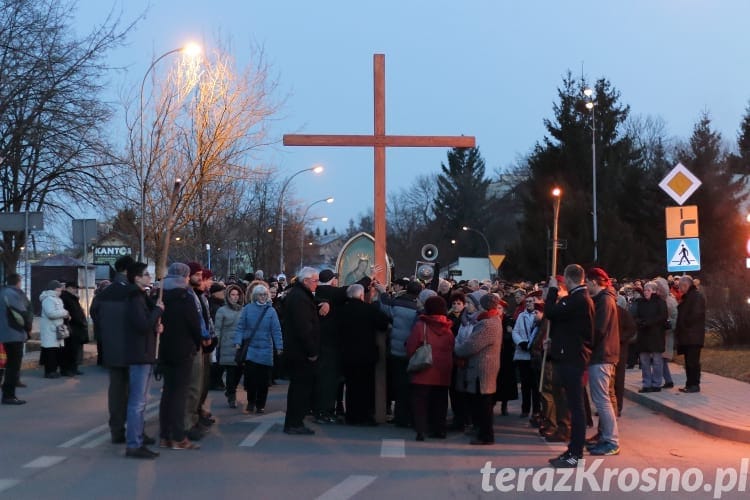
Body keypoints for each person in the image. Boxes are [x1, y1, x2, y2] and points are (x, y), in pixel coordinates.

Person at [544, 264, 594, 468]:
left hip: (573, 359)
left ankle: (575, 453)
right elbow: (564, 325)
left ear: (568, 279)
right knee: (573, 405)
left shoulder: (578, 299)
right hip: (570, 356)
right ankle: (573, 449)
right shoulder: (577, 299)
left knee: (576, 408)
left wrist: (553, 289)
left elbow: (550, 312)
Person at [158, 263, 203, 450]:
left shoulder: (161, 294)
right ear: (184, 277)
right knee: (179, 395)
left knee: (167, 393)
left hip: (164, 349)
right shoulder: (185, 296)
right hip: (183, 350)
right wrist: (197, 341)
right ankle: (178, 436)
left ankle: (165, 435)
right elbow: (194, 323)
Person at [123, 262, 163, 459]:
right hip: (139, 354)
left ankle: (137, 438)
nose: (149, 277)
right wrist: (157, 311)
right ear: (136, 278)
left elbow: (147, 325)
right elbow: (141, 325)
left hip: (144, 352)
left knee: (141, 401)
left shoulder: (141, 297)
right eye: (146, 274)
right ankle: (133, 443)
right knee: (137, 402)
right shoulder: (134, 298)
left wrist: (156, 325)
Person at [454, 293, 503, 445]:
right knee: (482, 403)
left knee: (483, 404)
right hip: (484, 367)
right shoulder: (493, 320)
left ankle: (485, 435)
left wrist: (457, 347)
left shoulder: (487, 324)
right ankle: (482, 432)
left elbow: (471, 346)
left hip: (482, 368)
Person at [338, 284, 390, 425]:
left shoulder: (342, 310)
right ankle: (365, 416)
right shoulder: (369, 310)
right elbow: (384, 323)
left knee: (351, 386)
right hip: (366, 354)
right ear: (361, 295)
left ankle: (351, 415)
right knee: (366, 386)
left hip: (347, 354)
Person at [374, 279, 422, 428]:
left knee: (400, 384)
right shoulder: (419, 307)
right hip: (413, 351)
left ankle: (400, 416)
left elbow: (385, 308)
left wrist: (382, 292)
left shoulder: (397, 303)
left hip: (396, 348)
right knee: (412, 385)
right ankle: (410, 416)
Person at [406, 296, 454, 441]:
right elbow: (452, 347)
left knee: (420, 401)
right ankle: (439, 429)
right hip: (443, 370)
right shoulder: (448, 328)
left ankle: (421, 430)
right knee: (440, 402)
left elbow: (411, 347)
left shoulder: (421, 326)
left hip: (424, 369)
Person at [584, 267, 621, 456]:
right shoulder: (604, 299)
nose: (586, 286)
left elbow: (598, 329)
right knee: (601, 399)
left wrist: (585, 344)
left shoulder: (605, 300)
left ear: (593, 282)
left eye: (587, 283)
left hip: (602, 355)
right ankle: (605, 437)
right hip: (602, 354)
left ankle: (611, 441)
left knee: (602, 400)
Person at [282, 267, 322, 435]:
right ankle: (294, 423)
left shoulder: (299, 295)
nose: (317, 284)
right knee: (300, 388)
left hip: (297, 350)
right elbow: (303, 328)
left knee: (299, 388)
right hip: (300, 352)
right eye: (315, 281)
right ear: (305, 281)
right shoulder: (300, 299)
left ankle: (294, 421)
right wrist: (312, 351)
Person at [234, 284, 283, 414]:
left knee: (263, 380)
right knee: (250, 379)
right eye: (260, 295)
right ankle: (251, 402)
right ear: (255, 296)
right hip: (251, 349)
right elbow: (240, 327)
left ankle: (260, 404)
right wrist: (238, 341)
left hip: (266, 350)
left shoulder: (271, 311)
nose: (262, 297)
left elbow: (276, 330)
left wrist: (279, 346)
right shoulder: (248, 309)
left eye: (265, 295)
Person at [1, 274, 33, 405]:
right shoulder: (13, 294)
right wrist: (27, 328)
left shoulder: (2, 292)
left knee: (5, 365)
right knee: (13, 366)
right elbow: (21, 313)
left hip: (3, 333)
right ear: (18, 282)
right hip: (13, 334)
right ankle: (9, 395)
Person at [512, 294, 543, 422]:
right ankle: (525, 409)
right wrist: (521, 342)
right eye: (527, 302)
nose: (529, 304)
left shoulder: (540, 316)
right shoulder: (521, 316)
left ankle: (536, 410)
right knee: (525, 384)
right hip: (523, 354)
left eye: (531, 301)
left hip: (535, 355)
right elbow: (515, 331)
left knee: (535, 385)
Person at [634, 281, 668, 393]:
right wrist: (640, 322)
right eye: (644, 290)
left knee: (657, 360)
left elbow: (662, 317)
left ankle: (656, 383)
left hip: (656, 335)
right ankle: (646, 383)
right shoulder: (641, 303)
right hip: (643, 335)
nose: (645, 292)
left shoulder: (660, 302)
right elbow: (636, 315)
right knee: (644, 361)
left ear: (654, 291)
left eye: (648, 290)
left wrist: (648, 322)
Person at [675, 275, 706, 393]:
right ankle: (689, 384)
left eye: (680, 287)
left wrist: (684, 324)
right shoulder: (688, 297)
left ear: (686, 285)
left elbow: (696, 315)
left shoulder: (696, 297)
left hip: (693, 335)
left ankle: (694, 384)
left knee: (693, 362)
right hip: (688, 336)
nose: (679, 289)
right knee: (688, 362)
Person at [215, 284, 245, 408]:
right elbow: (218, 329)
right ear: (228, 296)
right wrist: (216, 345)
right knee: (231, 373)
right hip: (227, 345)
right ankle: (231, 396)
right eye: (232, 294)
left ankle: (230, 391)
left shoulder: (244, 310)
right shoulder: (222, 311)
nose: (235, 297)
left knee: (239, 372)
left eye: (237, 295)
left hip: (240, 346)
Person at [39, 280, 70, 379]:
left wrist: (64, 313)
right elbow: (51, 313)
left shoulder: (56, 299)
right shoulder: (48, 299)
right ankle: (49, 371)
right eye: (60, 288)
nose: (61, 290)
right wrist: (65, 313)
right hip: (50, 330)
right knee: (50, 351)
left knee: (56, 351)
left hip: (57, 329)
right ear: (55, 289)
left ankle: (54, 370)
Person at [59, 283, 87, 377]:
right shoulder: (65, 297)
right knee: (69, 349)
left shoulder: (73, 297)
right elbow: (72, 312)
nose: (76, 290)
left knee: (75, 349)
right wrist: (79, 320)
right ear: (69, 288)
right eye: (74, 288)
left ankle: (73, 368)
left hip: (76, 326)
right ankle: (67, 369)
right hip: (71, 326)